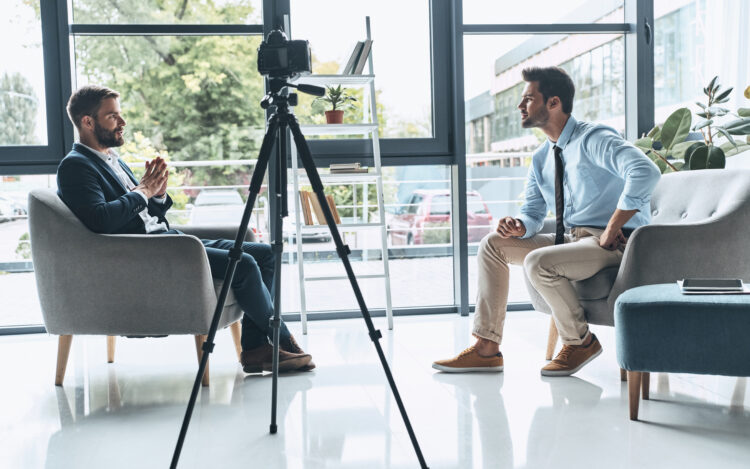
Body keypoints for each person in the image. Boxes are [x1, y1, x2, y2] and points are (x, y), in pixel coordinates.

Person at [57, 84, 314, 373]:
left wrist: (157, 195)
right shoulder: (75, 167)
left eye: (120, 115)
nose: (122, 123)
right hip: (149, 254)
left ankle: (255, 349)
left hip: (168, 240)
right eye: (112, 116)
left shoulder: (113, 160)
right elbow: (100, 220)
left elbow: (144, 213)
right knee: (243, 264)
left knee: (266, 254)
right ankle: (282, 340)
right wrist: (142, 192)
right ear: (87, 122)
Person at [433, 66, 661, 376]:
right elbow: (533, 212)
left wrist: (612, 227)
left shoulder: (594, 138)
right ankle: (486, 349)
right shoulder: (542, 156)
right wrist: (519, 226)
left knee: (540, 262)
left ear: (553, 102)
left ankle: (579, 342)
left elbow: (645, 172)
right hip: (571, 240)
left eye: (528, 98)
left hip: (615, 243)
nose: (520, 106)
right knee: (492, 244)